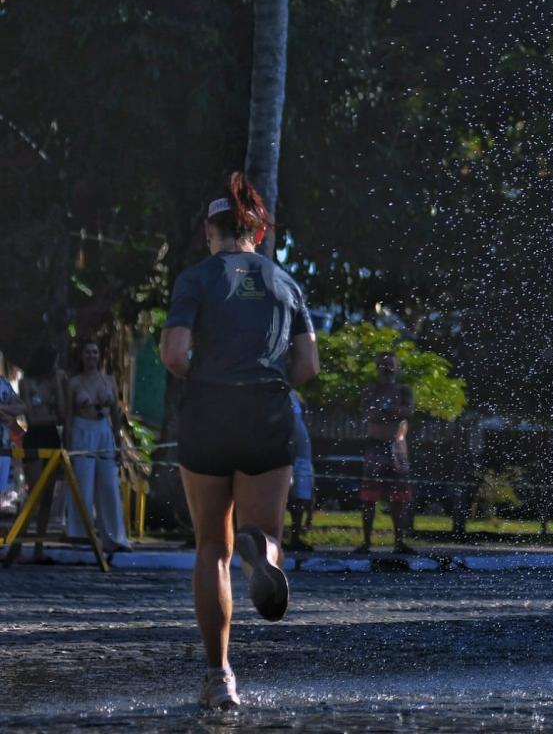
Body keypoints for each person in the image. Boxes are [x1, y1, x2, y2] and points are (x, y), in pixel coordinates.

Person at [159, 171, 319, 710]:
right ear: (258, 231)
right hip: (266, 410)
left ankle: (219, 676)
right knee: (265, 530)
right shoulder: (285, 282)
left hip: (208, 409)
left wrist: (209, 376)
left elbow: (175, 354)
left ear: (212, 230)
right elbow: (308, 364)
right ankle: (261, 554)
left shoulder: (196, 279)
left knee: (210, 547)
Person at [65, 340, 131, 553]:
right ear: (81, 356)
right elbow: (67, 416)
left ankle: (115, 537)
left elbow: (116, 415)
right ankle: (80, 535)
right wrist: (67, 446)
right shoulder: (74, 382)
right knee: (82, 485)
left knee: (109, 485)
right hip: (81, 431)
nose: (91, 356)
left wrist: (118, 442)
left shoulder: (109, 380)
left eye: (95, 352)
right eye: (87, 352)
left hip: (104, 432)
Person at [11, 344, 67, 563]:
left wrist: (59, 386)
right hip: (34, 436)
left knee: (47, 497)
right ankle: (17, 543)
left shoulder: (54, 384)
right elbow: (31, 417)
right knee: (33, 494)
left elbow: (62, 413)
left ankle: (38, 547)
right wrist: (49, 416)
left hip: (51, 437)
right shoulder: (27, 383)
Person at [356, 351, 415, 555]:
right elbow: (367, 413)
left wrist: (387, 412)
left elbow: (407, 411)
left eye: (390, 365)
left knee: (400, 499)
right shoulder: (370, 391)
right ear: (377, 367)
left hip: (397, 448)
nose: (387, 368)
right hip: (375, 446)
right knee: (368, 498)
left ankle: (399, 542)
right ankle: (366, 542)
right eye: (383, 364)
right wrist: (389, 413)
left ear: (397, 368)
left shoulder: (403, 390)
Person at [285, 390, 315, 552]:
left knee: (301, 499)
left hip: (303, 455)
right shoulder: (275, 392)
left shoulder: (296, 396)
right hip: (285, 455)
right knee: (285, 498)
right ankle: (277, 536)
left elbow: (304, 419)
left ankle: (295, 537)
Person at [0, 372, 26, 512]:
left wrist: (2, 409)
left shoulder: (3, 383)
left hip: (3, 448)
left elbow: (22, 407)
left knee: (2, 496)